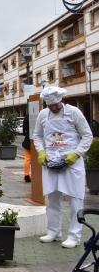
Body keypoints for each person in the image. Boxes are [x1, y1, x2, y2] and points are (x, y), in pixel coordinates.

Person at [33, 86, 92, 248]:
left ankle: (74, 235)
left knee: (75, 200)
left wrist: (77, 153)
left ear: (61, 101)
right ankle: (54, 232)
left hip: (71, 162)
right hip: (51, 161)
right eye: (49, 105)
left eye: (55, 105)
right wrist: (41, 152)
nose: (52, 108)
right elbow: (37, 135)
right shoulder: (43, 115)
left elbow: (87, 135)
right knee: (52, 199)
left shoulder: (74, 112)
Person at [22, 113, 31, 183]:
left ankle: (26, 175)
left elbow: (24, 129)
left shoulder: (27, 115)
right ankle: (37, 174)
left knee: (27, 159)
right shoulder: (40, 114)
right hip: (36, 141)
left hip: (27, 140)